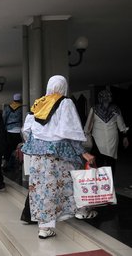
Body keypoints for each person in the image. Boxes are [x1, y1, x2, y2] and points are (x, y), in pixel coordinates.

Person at [21, 75, 96, 239]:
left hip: (38, 157)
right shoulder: (65, 102)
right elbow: (70, 130)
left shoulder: (39, 103)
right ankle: (80, 211)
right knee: (72, 180)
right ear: (63, 87)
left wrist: (39, 144)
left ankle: (44, 228)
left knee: (42, 190)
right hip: (59, 156)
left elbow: (27, 130)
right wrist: (82, 152)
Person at [84, 89, 129, 177]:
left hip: (98, 138)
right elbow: (121, 125)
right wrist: (125, 136)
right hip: (112, 137)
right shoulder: (115, 109)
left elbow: (88, 124)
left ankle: (100, 181)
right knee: (111, 159)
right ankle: (110, 181)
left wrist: (86, 133)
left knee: (98, 159)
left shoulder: (94, 109)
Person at [2, 93, 23, 171]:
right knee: (18, 148)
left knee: (9, 149)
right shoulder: (22, 108)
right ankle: (19, 165)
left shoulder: (8, 108)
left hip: (9, 130)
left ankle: (7, 164)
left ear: (13, 100)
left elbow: (4, 117)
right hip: (19, 131)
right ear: (20, 99)